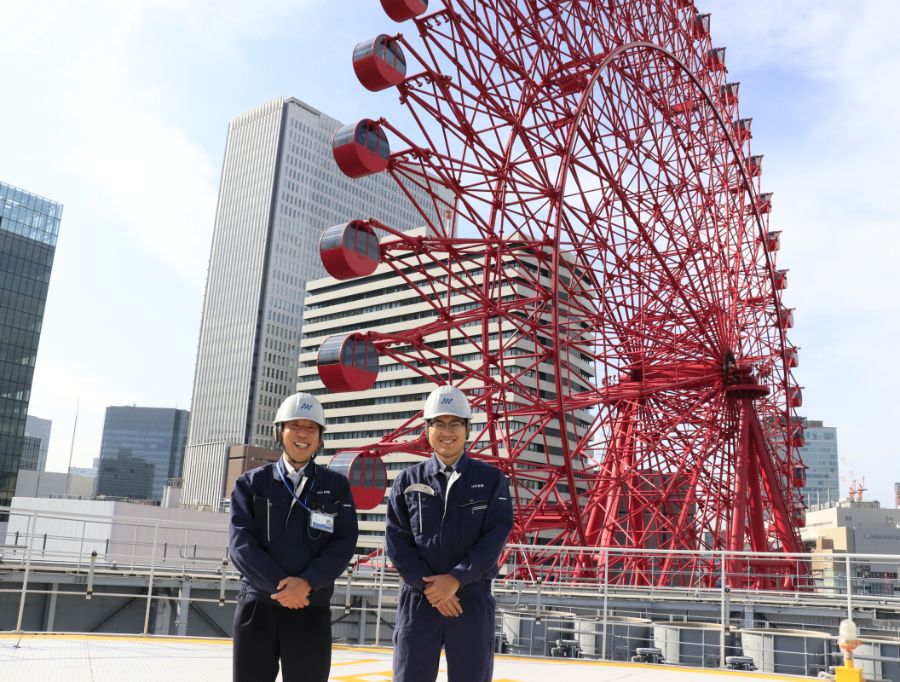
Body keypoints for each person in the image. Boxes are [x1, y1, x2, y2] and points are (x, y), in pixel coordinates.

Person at [386, 385, 514, 682]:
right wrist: (433, 589)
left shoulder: (491, 480)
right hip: (419, 600)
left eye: (455, 424)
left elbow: (495, 537)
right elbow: (396, 540)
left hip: (470, 599)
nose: (447, 432)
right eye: (439, 424)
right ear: (427, 429)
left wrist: (456, 579)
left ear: (467, 429)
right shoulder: (407, 480)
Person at [228, 392, 359, 682]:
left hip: (310, 606)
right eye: (295, 426)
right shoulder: (251, 484)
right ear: (279, 432)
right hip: (258, 606)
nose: (303, 434)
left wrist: (307, 584)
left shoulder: (336, 486)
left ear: (320, 437)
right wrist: (284, 588)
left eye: (311, 428)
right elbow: (240, 544)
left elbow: (344, 541)